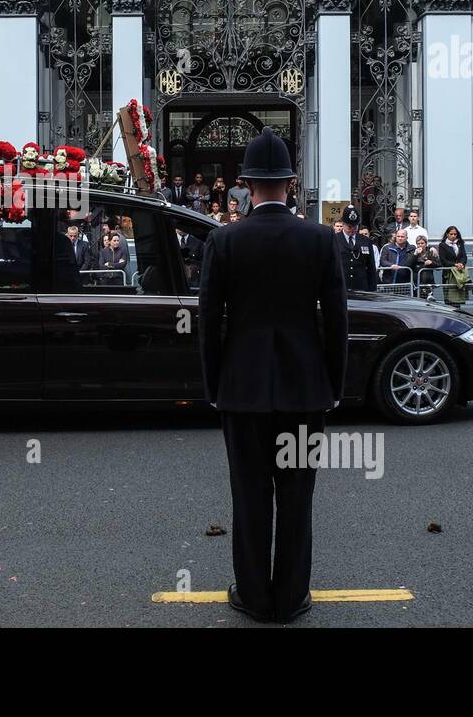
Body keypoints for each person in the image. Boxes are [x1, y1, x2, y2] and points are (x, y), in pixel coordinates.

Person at [198, 128, 346, 625]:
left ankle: (255, 597)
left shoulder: (224, 240)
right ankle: (291, 597)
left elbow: (209, 323)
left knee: (250, 494)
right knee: (298, 495)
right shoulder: (321, 239)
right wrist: (333, 385)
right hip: (305, 390)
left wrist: (214, 385)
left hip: (241, 390)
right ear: (290, 181)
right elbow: (336, 321)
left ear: (246, 184)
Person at [336, 204, 376, 292]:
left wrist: (372, 289)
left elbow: (371, 267)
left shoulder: (365, 241)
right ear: (343, 224)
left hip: (361, 287)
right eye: (349, 227)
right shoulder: (335, 239)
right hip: (341, 286)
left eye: (355, 226)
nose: (352, 229)